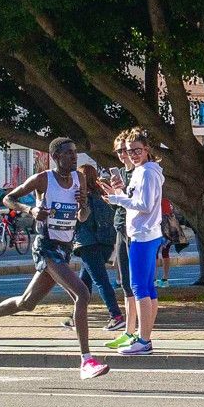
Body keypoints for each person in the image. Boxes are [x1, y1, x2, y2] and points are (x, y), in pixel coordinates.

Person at [0, 137, 110, 380]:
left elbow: (82, 217)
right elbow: (8, 199)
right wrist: (31, 210)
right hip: (45, 246)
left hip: (65, 247)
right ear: (56, 157)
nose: (74, 157)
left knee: (27, 302)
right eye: (68, 153)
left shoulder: (79, 179)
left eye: (75, 153)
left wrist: (84, 207)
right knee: (82, 293)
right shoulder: (44, 179)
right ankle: (86, 360)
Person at [98, 127, 165, 355]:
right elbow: (137, 199)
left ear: (146, 150)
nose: (133, 154)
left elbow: (145, 205)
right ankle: (142, 336)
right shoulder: (142, 171)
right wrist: (119, 195)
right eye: (129, 151)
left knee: (140, 288)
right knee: (147, 288)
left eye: (137, 150)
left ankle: (144, 340)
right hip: (145, 233)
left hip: (143, 235)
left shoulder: (147, 172)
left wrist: (119, 199)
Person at [74, 182, 125, 331]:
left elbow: (81, 219)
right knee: (84, 282)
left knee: (100, 281)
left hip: (88, 243)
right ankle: (75, 316)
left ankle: (116, 315)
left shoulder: (84, 198)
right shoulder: (104, 197)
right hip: (106, 243)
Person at [104, 133, 138, 348]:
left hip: (134, 230)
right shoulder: (123, 174)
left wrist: (120, 193)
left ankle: (138, 332)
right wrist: (112, 195)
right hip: (121, 227)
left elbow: (136, 202)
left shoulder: (138, 173)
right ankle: (129, 330)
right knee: (125, 282)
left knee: (137, 283)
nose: (122, 155)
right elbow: (120, 205)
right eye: (118, 151)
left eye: (124, 150)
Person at [156, 198, 174, 287]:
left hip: (158, 221)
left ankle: (154, 279)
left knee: (155, 252)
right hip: (167, 220)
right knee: (165, 251)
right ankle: (165, 278)